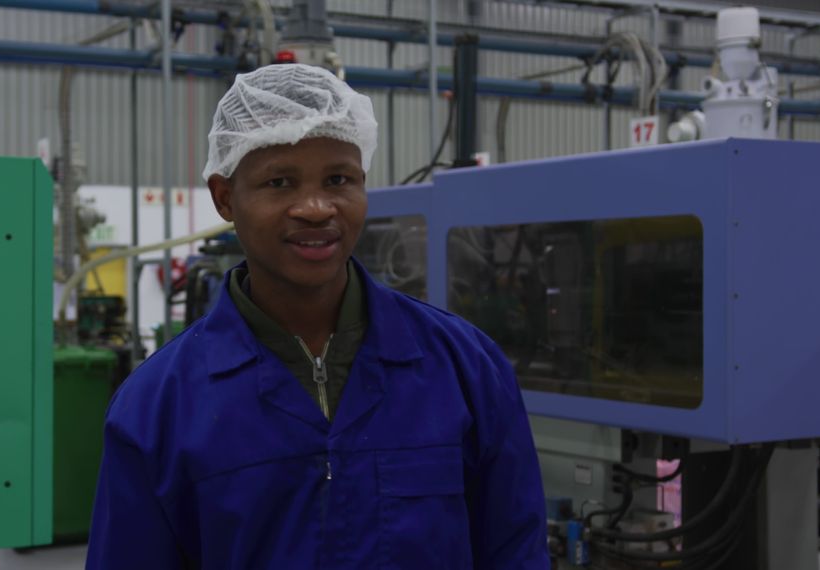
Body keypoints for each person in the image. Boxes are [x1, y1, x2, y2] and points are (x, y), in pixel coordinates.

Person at [86, 63, 548, 569]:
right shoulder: (158, 407)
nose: (315, 207)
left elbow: (515, 551)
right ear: (225, 198)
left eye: (338, 179)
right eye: (279, 182)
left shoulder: (465, 368)